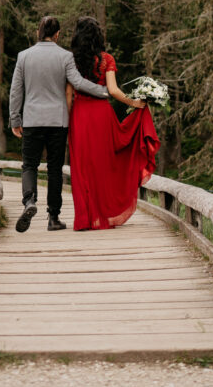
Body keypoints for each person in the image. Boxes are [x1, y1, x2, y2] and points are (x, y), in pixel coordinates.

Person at [9, 15, 110, 233]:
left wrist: (15, 119)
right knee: (55, 168)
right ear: (57, 34)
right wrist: (103, 91)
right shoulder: (65, 57)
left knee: (29, 165)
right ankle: (53, 218)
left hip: (33, 120)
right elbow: (79, 83)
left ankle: (29, 201)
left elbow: (16, 91)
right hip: (58, 121)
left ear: (39, 31)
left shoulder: (24, 57)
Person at [67, 16, 159, 231]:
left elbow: (69, 93)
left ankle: (84, 219)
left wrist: (67, 120)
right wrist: (133, 103)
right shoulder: (106, 59)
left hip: (79, 115)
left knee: (82, 167)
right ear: (98, 36)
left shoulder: (70, 61)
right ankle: (103, 215)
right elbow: (114, 90)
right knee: (103, 164)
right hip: (101, 113)